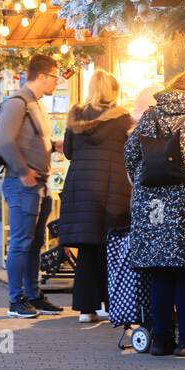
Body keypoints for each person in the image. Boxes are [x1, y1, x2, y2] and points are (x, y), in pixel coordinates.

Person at [123, 71, 185, 357]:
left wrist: (140, 184)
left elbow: (129, 154)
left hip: (150, 207)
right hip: (184, 203)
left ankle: (161, 339)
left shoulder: (150, 116)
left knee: (161, 271)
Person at [0, 55, 63, 320]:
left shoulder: (35, 103)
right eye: (56, 76)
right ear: (42, 76)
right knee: (21, 243)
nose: (58, 82)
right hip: (23, 185)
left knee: (34, 244)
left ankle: (33, 295)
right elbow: (4, 140)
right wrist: (23, 171)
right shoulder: (18, 102)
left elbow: (27, 139)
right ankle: (15, 300)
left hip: (38, 185)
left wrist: (53, 145)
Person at [59, 69, 133, 323]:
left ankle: (85, 308)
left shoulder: (75, 117)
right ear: (113, 90)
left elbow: (68, 152)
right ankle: (110, 304)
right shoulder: (122, 119)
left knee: (88, 250)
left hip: (81, 187)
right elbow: (131, 154)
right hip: (112, 189)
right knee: (111, 249)